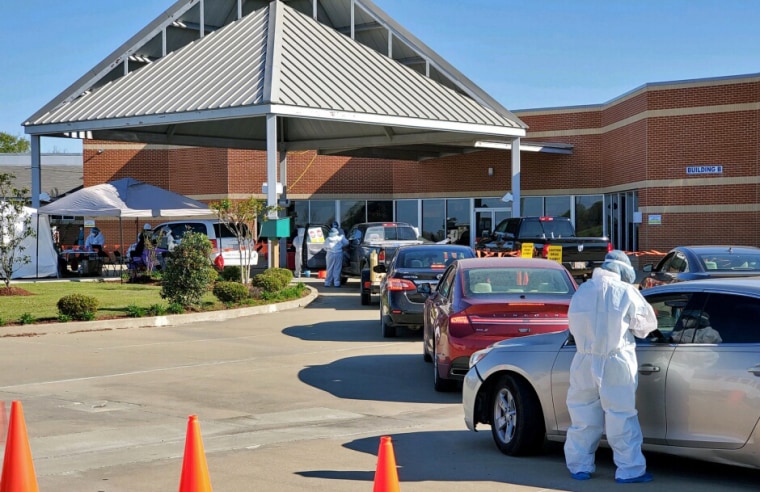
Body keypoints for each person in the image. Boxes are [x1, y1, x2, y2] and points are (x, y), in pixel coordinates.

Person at [564, 250, 658, 484]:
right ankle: (630, 469)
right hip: (616, 359)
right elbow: (646, 326)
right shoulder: (626, 291)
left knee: (582, 414)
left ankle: (579, 467)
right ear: (623, 271)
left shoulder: (582, 291)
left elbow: (573, 326)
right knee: (621, 415)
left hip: (583, 360)